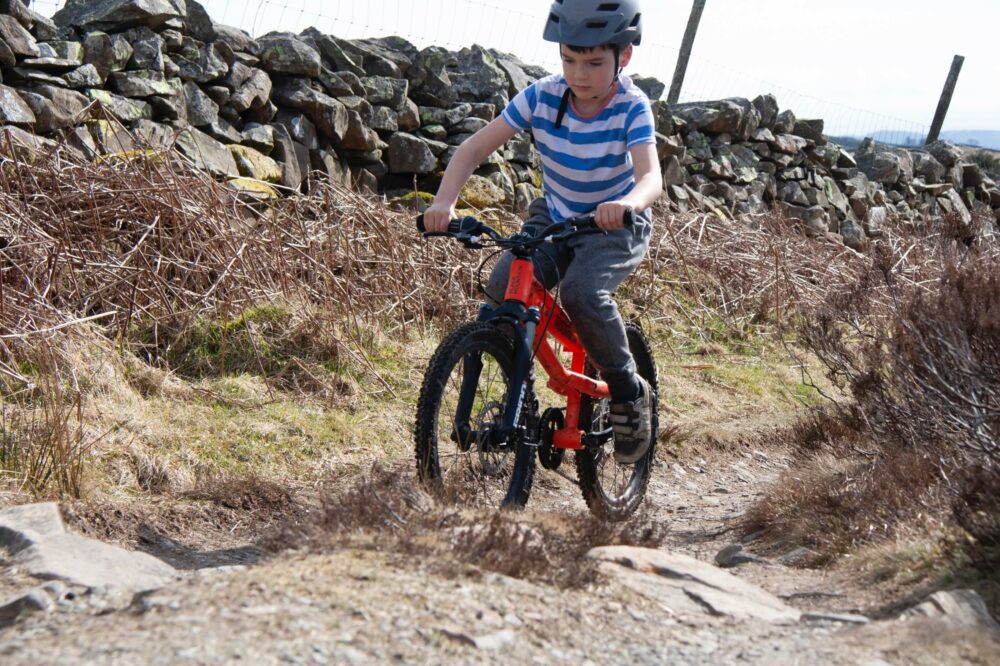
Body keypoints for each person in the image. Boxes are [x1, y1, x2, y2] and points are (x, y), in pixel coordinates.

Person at [421, 0, 661, 463]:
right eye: (569, 59)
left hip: (614, 226)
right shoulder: (542, 96)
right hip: (554, 218)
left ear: (623, 57)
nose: (579, 74)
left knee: (583, 294)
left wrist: (626, 204)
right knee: (499, 295)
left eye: (594, 62)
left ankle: (629, 392)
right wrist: (443, 203)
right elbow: (472, 149)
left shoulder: (633, 106)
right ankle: (516, 399)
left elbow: (651, 178)